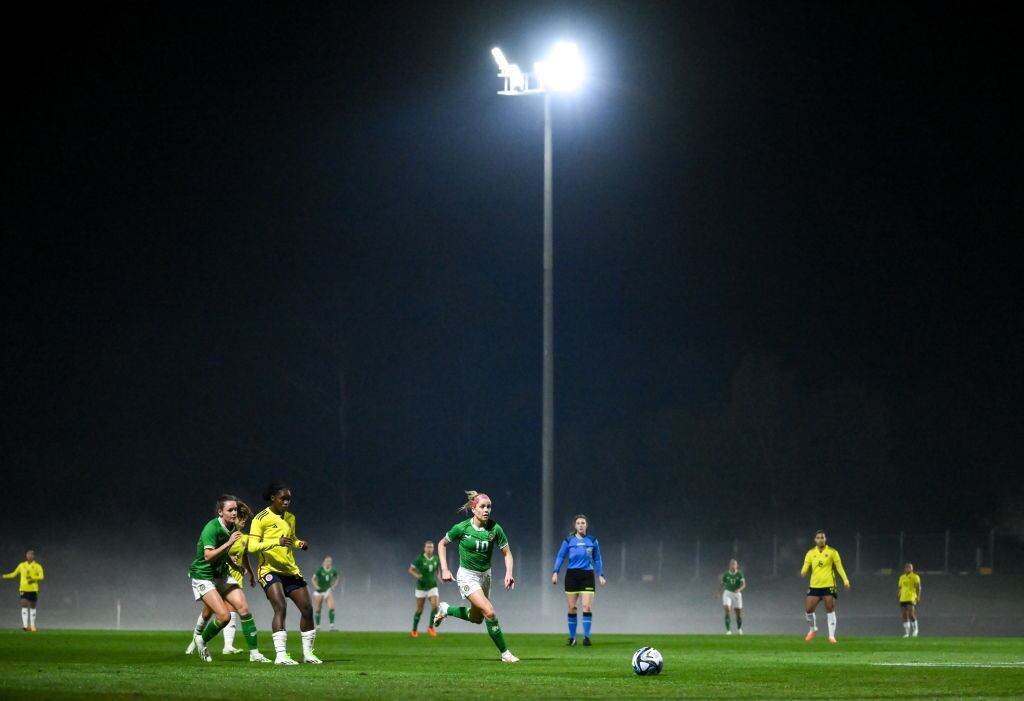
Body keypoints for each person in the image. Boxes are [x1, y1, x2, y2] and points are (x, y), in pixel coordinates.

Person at [433, 490, 518, 663]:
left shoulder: (495, 529)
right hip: (467, 576)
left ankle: (446, 610)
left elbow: (507, 553)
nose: (486, 510)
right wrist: (445, 569)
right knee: (490, 612)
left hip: (485, 576)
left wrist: (509, 573)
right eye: (482, 507)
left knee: (476, 618)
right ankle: (505, 653)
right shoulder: (462, 528)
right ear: (473, 509)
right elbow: (442, 544)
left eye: (489, 507)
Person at [187, 495, 271, 663]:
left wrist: (237, 567)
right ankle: (201, 640)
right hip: (203, 576)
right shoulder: (211, 528)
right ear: (220, 512)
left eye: (235, 510)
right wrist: (228, 544)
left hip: (222, 574)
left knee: (244, 609)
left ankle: (255, 654)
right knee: (224, 616)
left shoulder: (233, 528)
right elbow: (208, 555)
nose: (234, 513)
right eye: (230, 510)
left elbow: (225, 556)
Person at [248, 482, 321, 664]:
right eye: (283, 498)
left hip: (290, 570)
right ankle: (281, 655)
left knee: (307, 609)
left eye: (289, 499)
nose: (287, 502)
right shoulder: (260, 518)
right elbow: (252, 546)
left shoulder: (290, 518)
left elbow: (291, 539)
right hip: (269, 570)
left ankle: (308, 654)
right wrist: (275, 542)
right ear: (273, 498)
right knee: (280, 607)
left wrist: (299, 544)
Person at [551, 515, 606, 646]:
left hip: (587, 576)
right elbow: (560, 556)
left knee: (587, 606)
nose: (581, 525)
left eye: (583, 523)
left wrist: (600, 575)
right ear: (575, 526)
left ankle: (586, 637)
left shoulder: (592, 540)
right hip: (572, 576)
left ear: (586, 525)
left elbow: (597, 559)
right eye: (578, 523)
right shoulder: (568, 540)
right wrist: (555, 572)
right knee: (572, 608)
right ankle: (572, 638)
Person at [800, 530, 850, 643]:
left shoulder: (832, 552)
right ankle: (813, 629)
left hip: (828, 585)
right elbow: (806, 565)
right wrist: (803, 571)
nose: (820, 539)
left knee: (830, 609)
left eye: (822, 537)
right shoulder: (810, 553)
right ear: (815, 540)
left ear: (825, 539)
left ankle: (831, 636)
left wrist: (845, 580)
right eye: (818, 538)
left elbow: (839, 567)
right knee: (808, 610)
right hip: (814, 586)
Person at [3, 550, 44, 632]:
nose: (28, 556)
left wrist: (33, 579)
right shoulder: (22, 565)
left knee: (32, 607)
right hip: (23, 589)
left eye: (30, 555)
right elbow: (13, 574)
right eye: (27, 555)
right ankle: (25, 626)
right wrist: (3, 576)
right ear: (26, 556)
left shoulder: (37, 566)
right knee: (24, 605)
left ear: (33, 556)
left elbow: (41, 576)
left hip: (33, 589)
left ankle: (32, 626)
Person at [408, 541, 440, 638]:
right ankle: (414, 630)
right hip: (421, 587)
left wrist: (439, 577)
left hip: (432, 586)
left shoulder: (436, 558)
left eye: (431, 547)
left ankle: (430, 627)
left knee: (435, 605)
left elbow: (437, 569)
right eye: (428, 547)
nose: (429, 549)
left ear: (433, 549)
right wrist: (417, 575)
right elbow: (410, 569)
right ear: (424, 548)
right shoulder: (420, 559)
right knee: (420, 610)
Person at [312, 556, 339, 631]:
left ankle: (332, 627)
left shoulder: (333, 570)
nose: (328, 562)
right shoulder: (320, 570)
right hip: (319, 592)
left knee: (332, 607)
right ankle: (318, 627)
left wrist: (333, 585)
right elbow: (313, 579)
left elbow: (337, 577)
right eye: (327, 561)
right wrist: (317, 587)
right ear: (324, 562)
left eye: (329, 561)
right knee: (318, 609)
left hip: (328, 590)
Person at [720, 558, 745, 635]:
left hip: (737, 594)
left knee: (738, 614)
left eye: (734, 564)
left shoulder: (740, 574)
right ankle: (728, 630)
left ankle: (739, 628)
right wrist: (718, 592)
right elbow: (722, 584)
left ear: (737, 566)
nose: (733, 566)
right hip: (727, 593)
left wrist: (739, 589)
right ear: (729, 566)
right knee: (727, 610)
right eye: (732, 564)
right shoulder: (726, 574)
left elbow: (744, 584)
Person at [898, 562, 922, 637]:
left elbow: (919, 587)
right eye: (907, 567)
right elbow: (900, 588)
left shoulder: (915, 576)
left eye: (910, 567)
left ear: (912, 568)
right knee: (904, 615)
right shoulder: (902, 577)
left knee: (911, 614)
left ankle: (915, 630)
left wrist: (918, 596)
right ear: (905, 569)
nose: (908, 568)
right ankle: (907, 633)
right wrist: (898, 595)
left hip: (911, 597)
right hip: (903, 597)